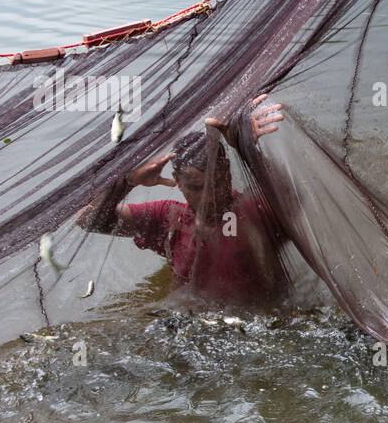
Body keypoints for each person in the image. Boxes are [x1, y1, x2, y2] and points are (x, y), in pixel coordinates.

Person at [77, 95, 288, 305]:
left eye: (216, 183)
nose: (209, 196)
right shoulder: (168, 217)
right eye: (196, 188)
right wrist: (127, 182)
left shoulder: (251, 212)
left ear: (227, 173)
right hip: (190, 320)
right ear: (178, 182)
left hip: (255, 321)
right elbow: (87, 220)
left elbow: (289, 197)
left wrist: (246, 150)